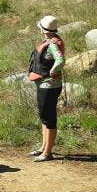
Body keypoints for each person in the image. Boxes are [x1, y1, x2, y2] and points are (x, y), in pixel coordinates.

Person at [28, 15, 65, 162]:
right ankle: (43, 148)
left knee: (49, 118)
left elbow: (60, 59)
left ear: (43, 30)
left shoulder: (52, 44)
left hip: (48, 86)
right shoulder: (53, 40)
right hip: (47, 86)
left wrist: (53, 70)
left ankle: (47, 153)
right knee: (45, 117)